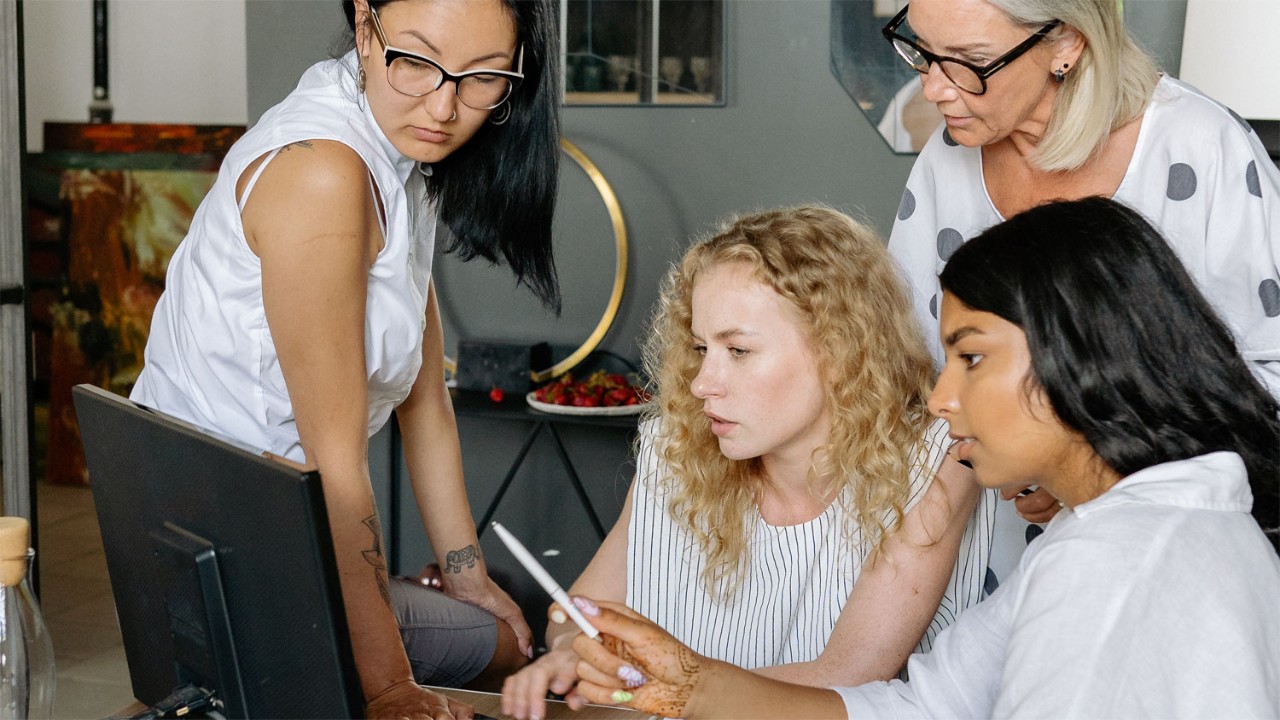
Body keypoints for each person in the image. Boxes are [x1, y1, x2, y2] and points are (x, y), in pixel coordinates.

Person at [566, 197, 1280, 719]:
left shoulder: (1116, 561)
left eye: (970, 357)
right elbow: (921, 708)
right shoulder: (1101, 534)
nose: (940, 398)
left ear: (1079, 359)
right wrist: (689, 687)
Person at [131, 0, 562, 716]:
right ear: (366, 28)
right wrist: (390, 687)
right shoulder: (324, 174)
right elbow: (333, 468)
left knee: (506, 640)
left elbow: (426, 403)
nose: (445, 106)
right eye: (416, 61)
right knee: (497, 655)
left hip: (290, 540)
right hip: (232, 570)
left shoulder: (402, 153)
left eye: (482, 78)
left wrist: (467, 573)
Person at [500, 205, 991, 720]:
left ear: (841, 350)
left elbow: (851, 677)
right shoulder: (675, 447)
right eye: (699, 347)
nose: (701, 383)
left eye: (737, 350)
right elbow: (574, 615)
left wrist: (660, 688)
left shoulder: (937, 459)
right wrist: (566, 656)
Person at [881, 0, 1280, 528]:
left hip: (1159, 532)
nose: (933, 89)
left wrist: (1089, 465)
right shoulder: (948, 155)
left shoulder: (1199, 146)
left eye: (968, 60)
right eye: (924, 52)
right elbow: (910, 363)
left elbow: (1268, 378)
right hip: (982, 525)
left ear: (1066, 43)